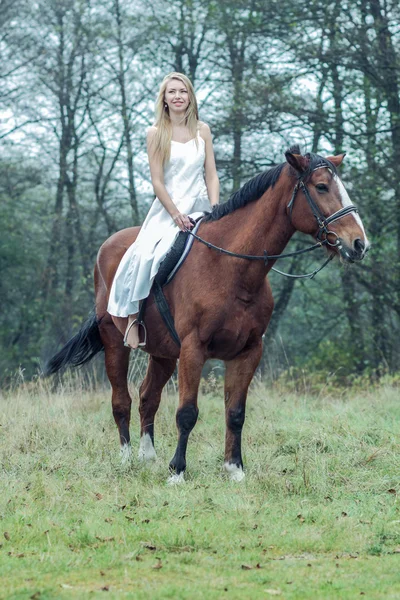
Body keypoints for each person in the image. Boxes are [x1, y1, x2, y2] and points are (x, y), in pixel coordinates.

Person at [107, 72, 220, 348]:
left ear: (190, 96)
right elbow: (157, 181)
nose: (178, 96)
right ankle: (135, 317)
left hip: (201, 206)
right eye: (172, 92)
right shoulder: (155, 133)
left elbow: (212, 175)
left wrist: (216, 208)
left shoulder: (202, 130)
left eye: (183, 91)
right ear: (165, 98)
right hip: (169, 208)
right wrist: (175, 214)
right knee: (145, 254)